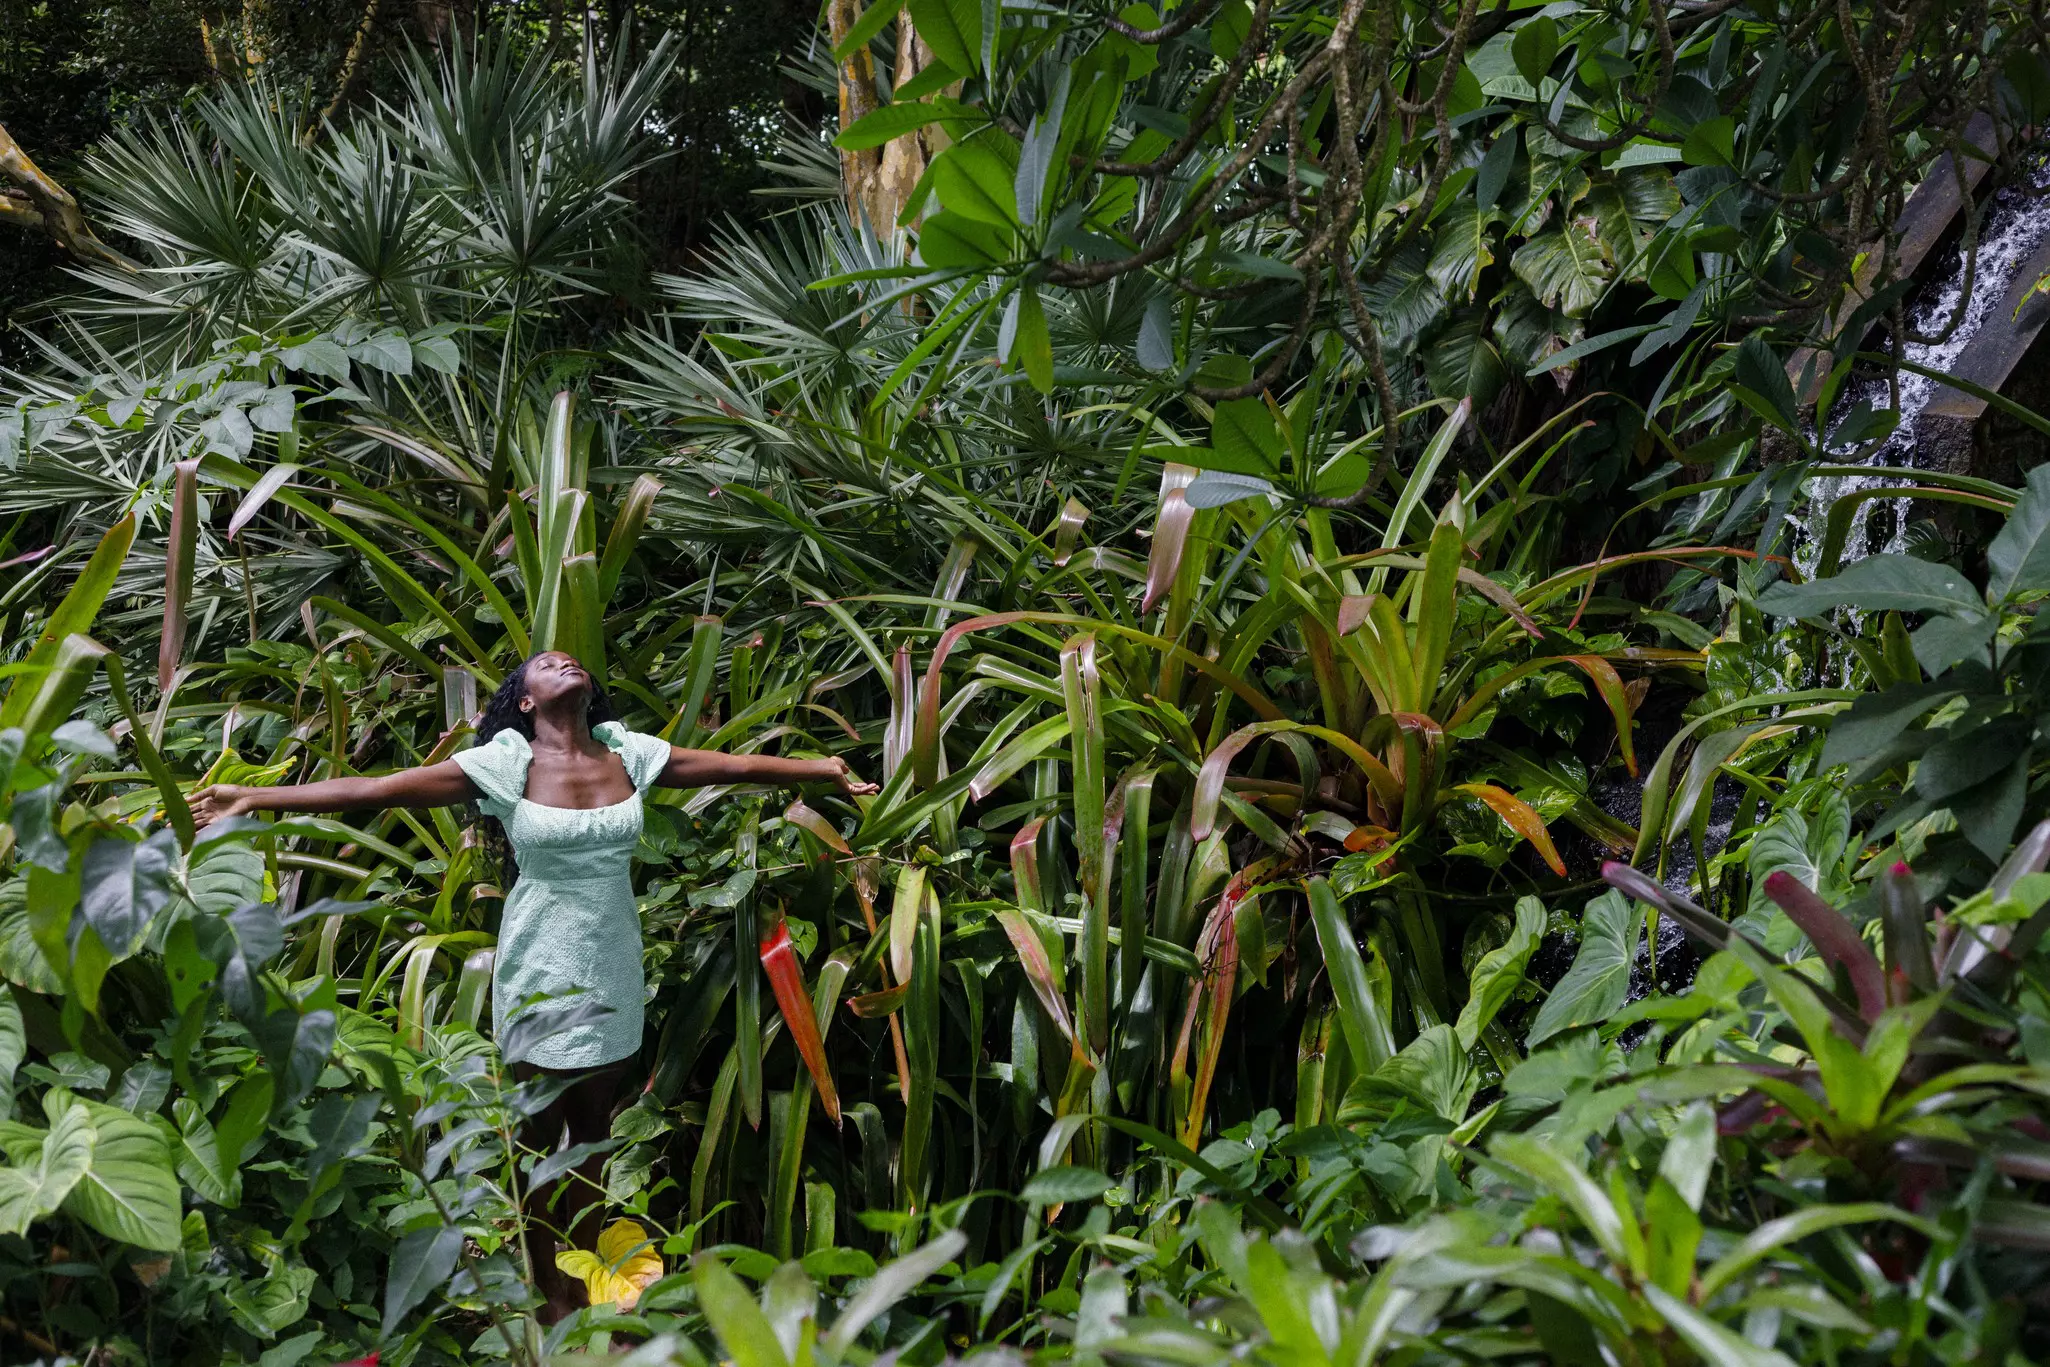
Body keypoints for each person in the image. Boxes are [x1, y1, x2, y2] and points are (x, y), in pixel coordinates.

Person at [188, 649, 876, 1322]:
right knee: (537, 1140)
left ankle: (588, 1283)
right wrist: (256, 796)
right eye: (547, 665)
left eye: (573, 662)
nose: (567, 664)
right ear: (524, 700)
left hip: (611, 967)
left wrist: (824, 767)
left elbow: (739, 765)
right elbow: (378, 788)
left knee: (594, 1137)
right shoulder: (506, 763)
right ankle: (547, 1288)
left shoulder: (626, 752)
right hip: (537, 971)